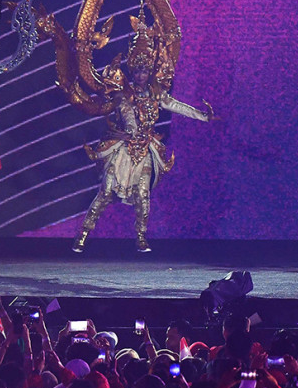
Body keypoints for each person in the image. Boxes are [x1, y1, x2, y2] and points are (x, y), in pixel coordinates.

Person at [72, 34, 213, 253]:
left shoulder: (157, 95)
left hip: (144, 149)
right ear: (132, 71)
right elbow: (126, 114)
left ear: (150, 72)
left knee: (143, 194)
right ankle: (82, 235)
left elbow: (177, 106)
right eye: (137, 71)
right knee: (106, 193)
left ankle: (141, 237)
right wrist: (130, 130)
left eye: (145, 71)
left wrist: (203, 116)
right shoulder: (123, 94)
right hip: (123, 150)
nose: (140, 75)